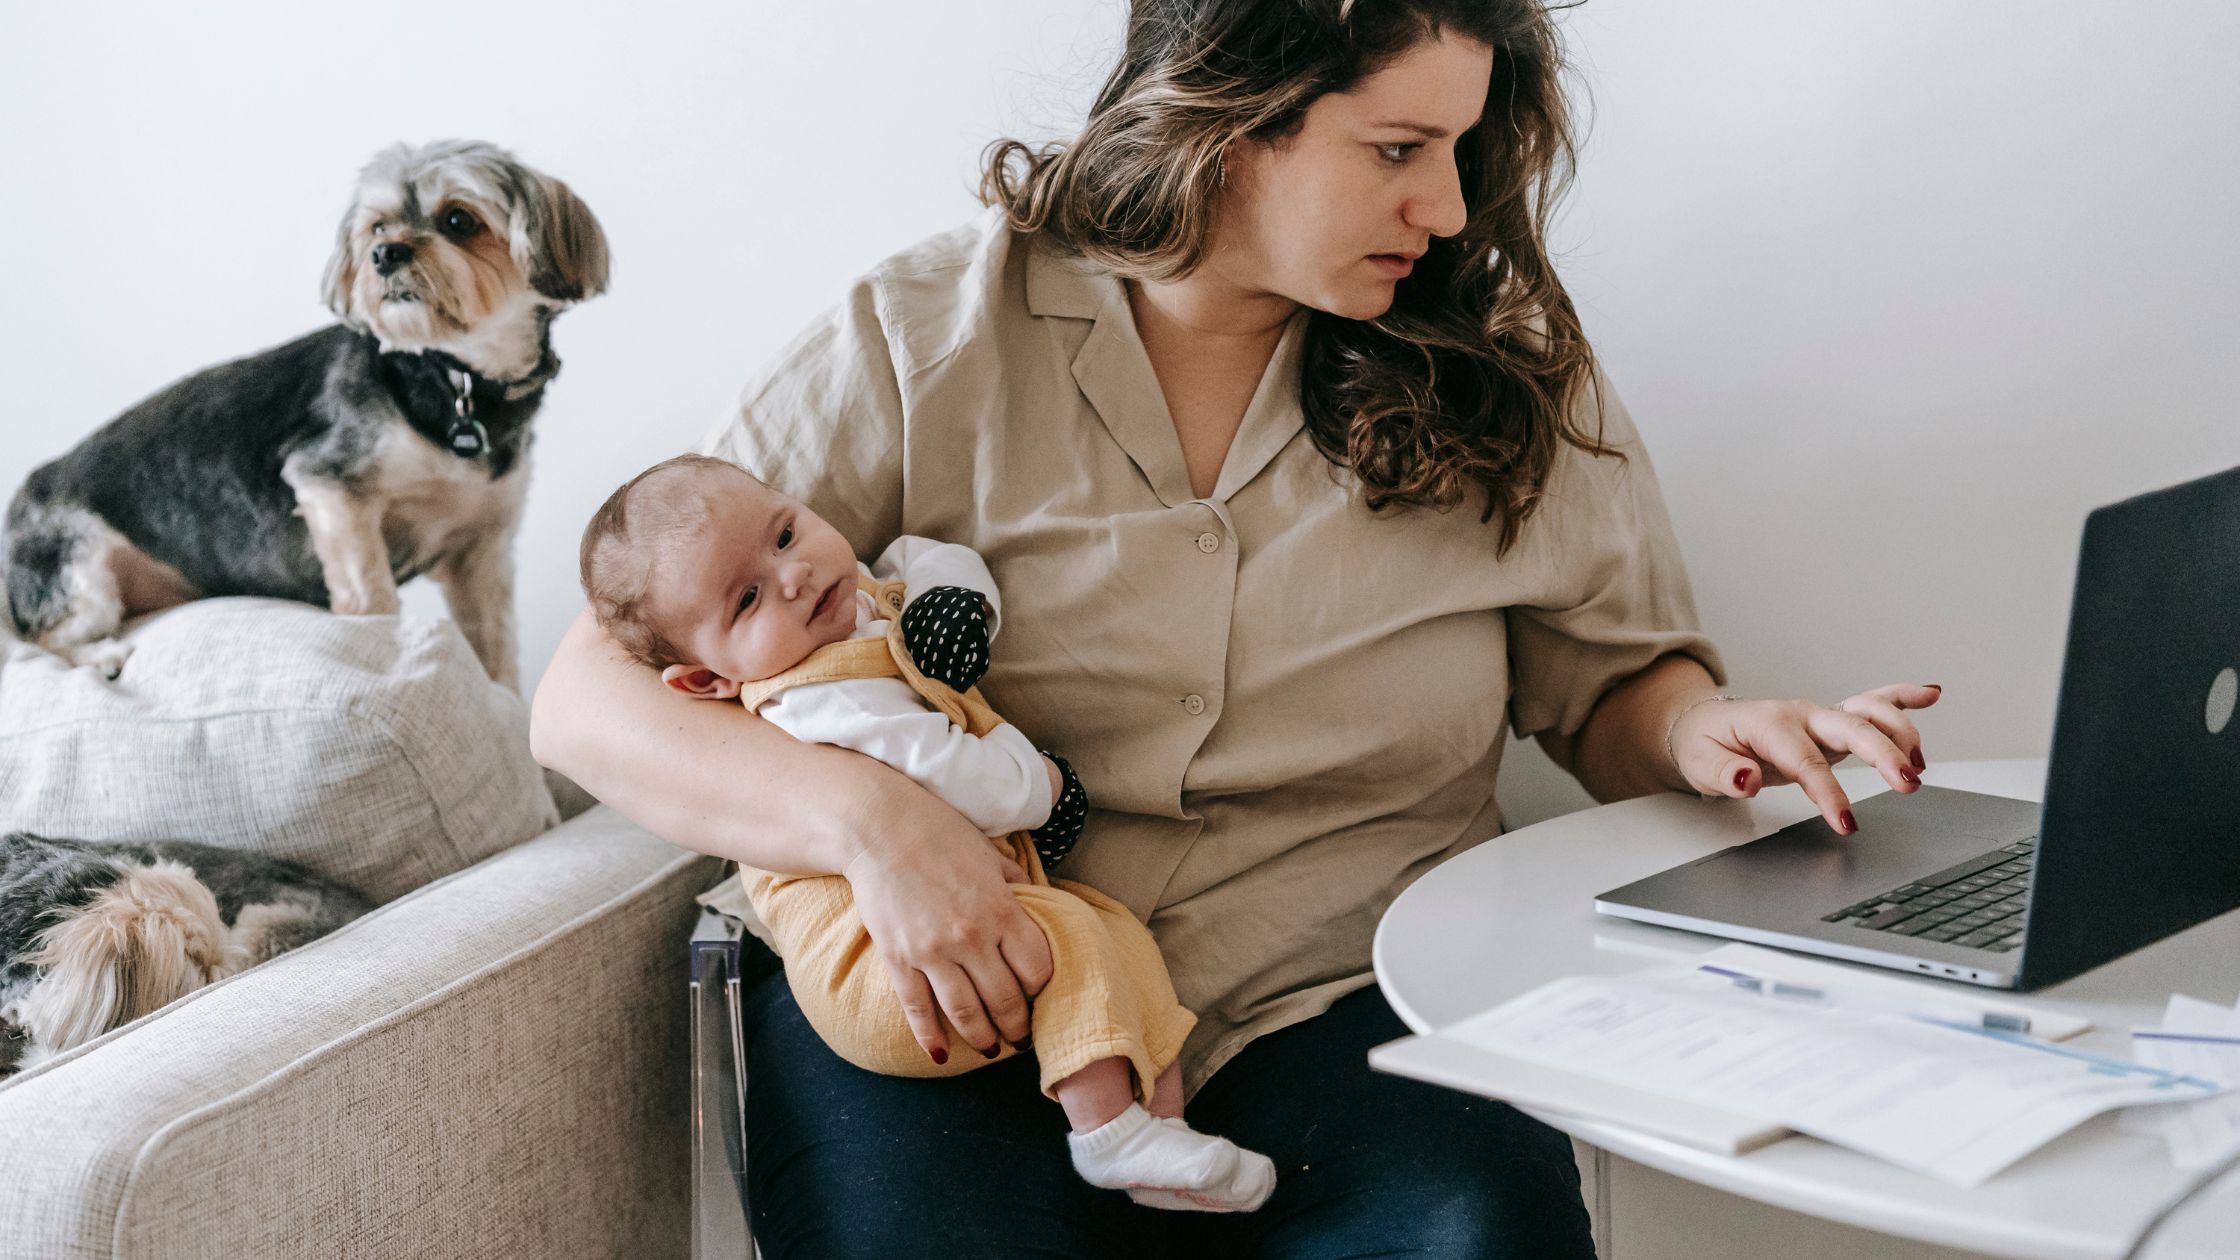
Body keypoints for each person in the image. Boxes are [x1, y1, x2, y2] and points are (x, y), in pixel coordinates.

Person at [532, 1, 1938, 1253]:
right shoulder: (926, 332)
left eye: (1459, 151)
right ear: (1231, 113)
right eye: (1397, 150)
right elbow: (588, 703)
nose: (1447, 209)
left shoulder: (1494, 363)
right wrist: (871, 825)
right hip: (955, 999)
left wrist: (1708, 732)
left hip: (1346, 993)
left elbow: (1612, 691)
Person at [575, 453, 1277, 1211]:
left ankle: (1159, 1136)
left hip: (959, 920)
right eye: (747, 598)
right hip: (881, 972)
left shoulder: (857, 602)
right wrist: (1044, 787)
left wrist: (955, 601)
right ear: (708, 681)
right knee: (1073, 939)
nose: (795, 577)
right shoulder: (813, 700)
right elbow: (957, 775)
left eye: (785, 534)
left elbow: (922, 555)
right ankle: (1105, 1131)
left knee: (1118, 936)